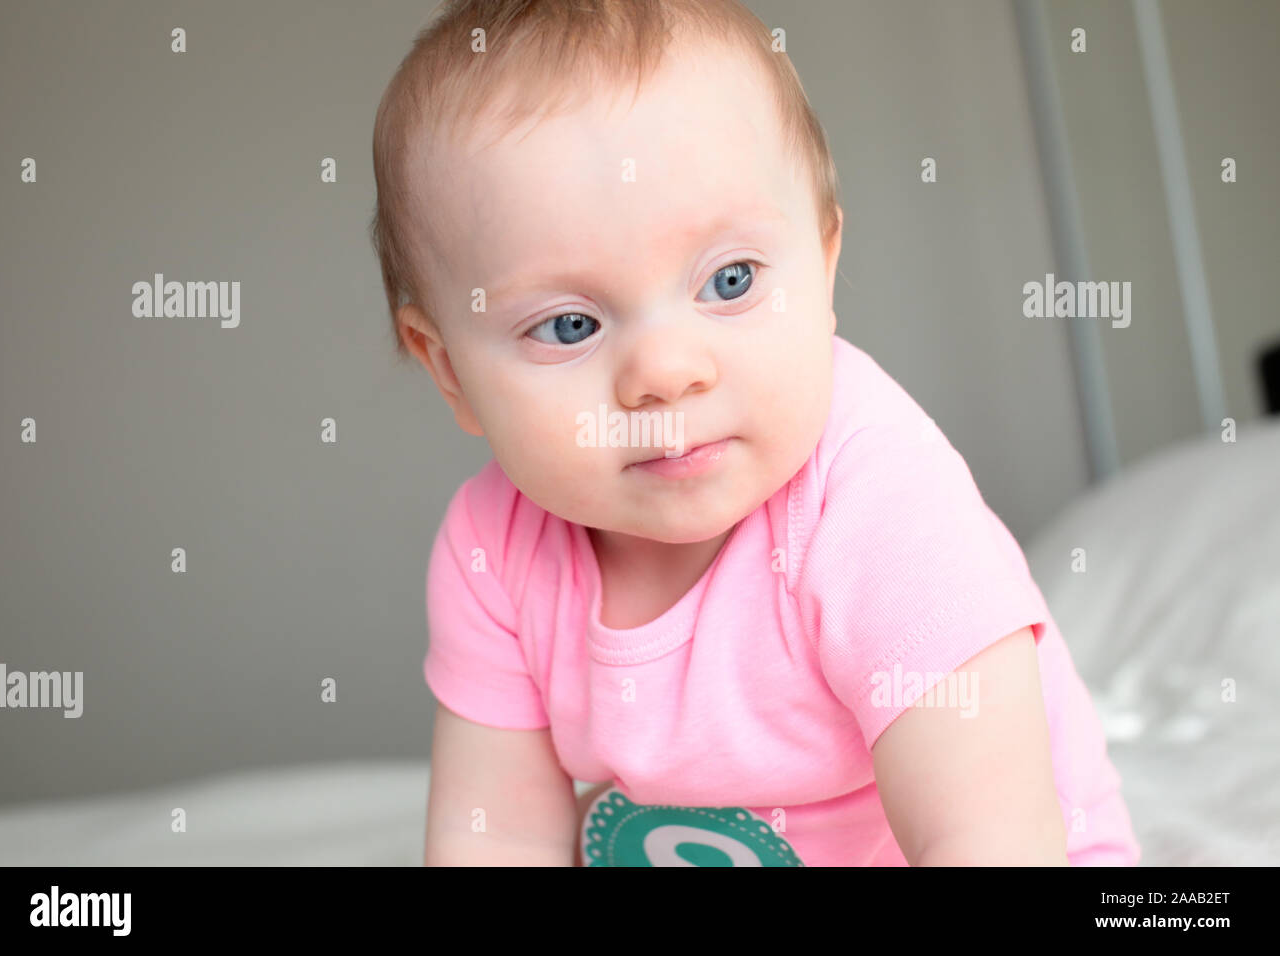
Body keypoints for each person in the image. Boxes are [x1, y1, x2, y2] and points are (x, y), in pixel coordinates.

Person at [369, 0, 1139, 866]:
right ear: (448, 371)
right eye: (570, 327)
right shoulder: (492, 551)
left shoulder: (881, 502)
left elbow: (989, 836)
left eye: (729, 279)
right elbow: (498, 834)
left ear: (824, 263)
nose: (664, 372)